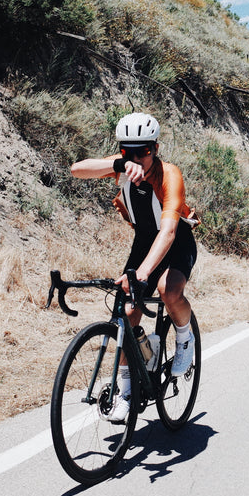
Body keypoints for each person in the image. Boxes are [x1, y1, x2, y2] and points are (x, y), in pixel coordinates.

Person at [70, 112, 199, 422]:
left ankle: (185, 339)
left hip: (176, 240)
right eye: (129, 151)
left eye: (143, 151)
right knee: (126, 316)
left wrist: (142, 274)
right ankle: (128, 391)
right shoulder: (124, 166)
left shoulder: (170, 174)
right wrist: (117, 163)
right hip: (144, 241)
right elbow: (77, 170)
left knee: (168, 290)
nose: (137, 158)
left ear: (155, 148)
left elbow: (168, 232)